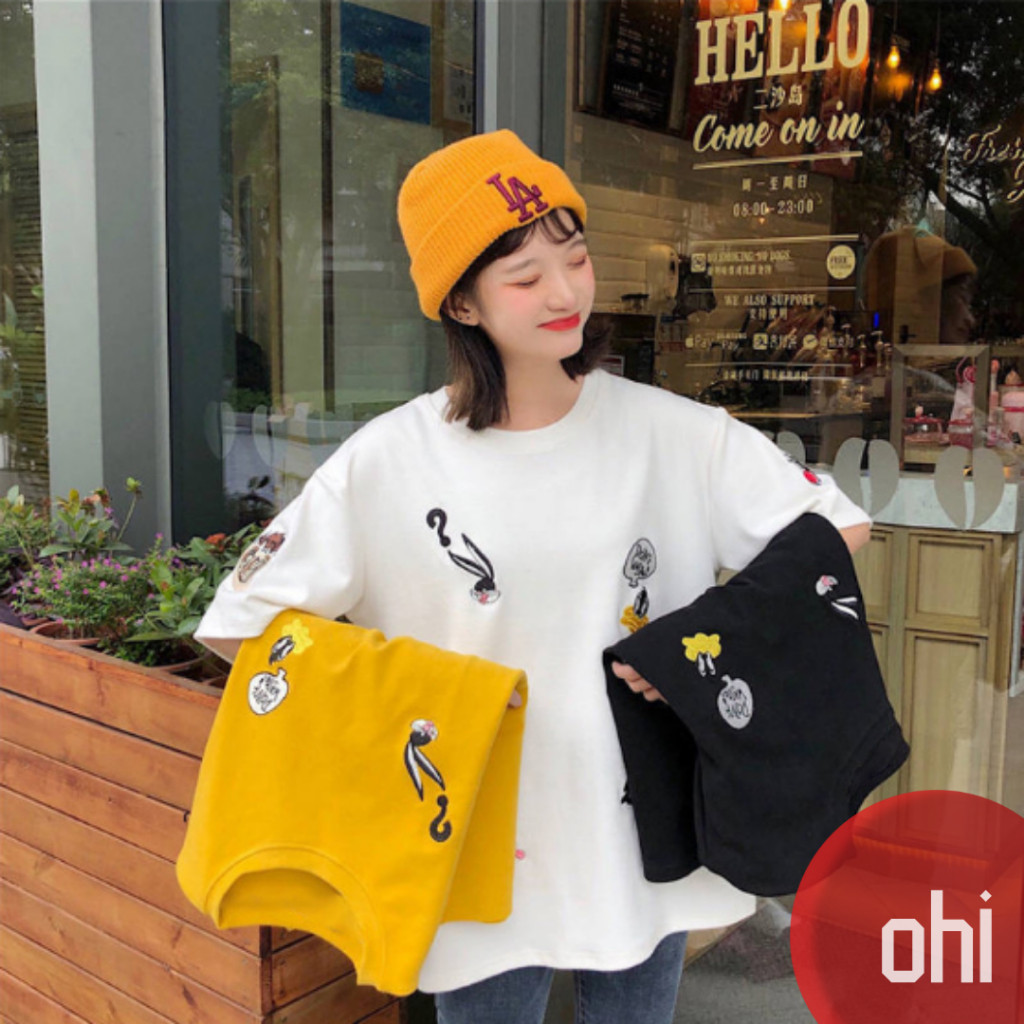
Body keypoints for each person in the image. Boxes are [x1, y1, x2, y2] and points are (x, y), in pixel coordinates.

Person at [193, 128, 872, 1024]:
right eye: (524, 276)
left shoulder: (671, 432)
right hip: (477, 831)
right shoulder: (388, 461)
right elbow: (245, 624)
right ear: (461, 303)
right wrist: (418, 709)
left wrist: (698, 641)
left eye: (576, 258)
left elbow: (837, 529)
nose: (564, 292)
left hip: (644, 816)